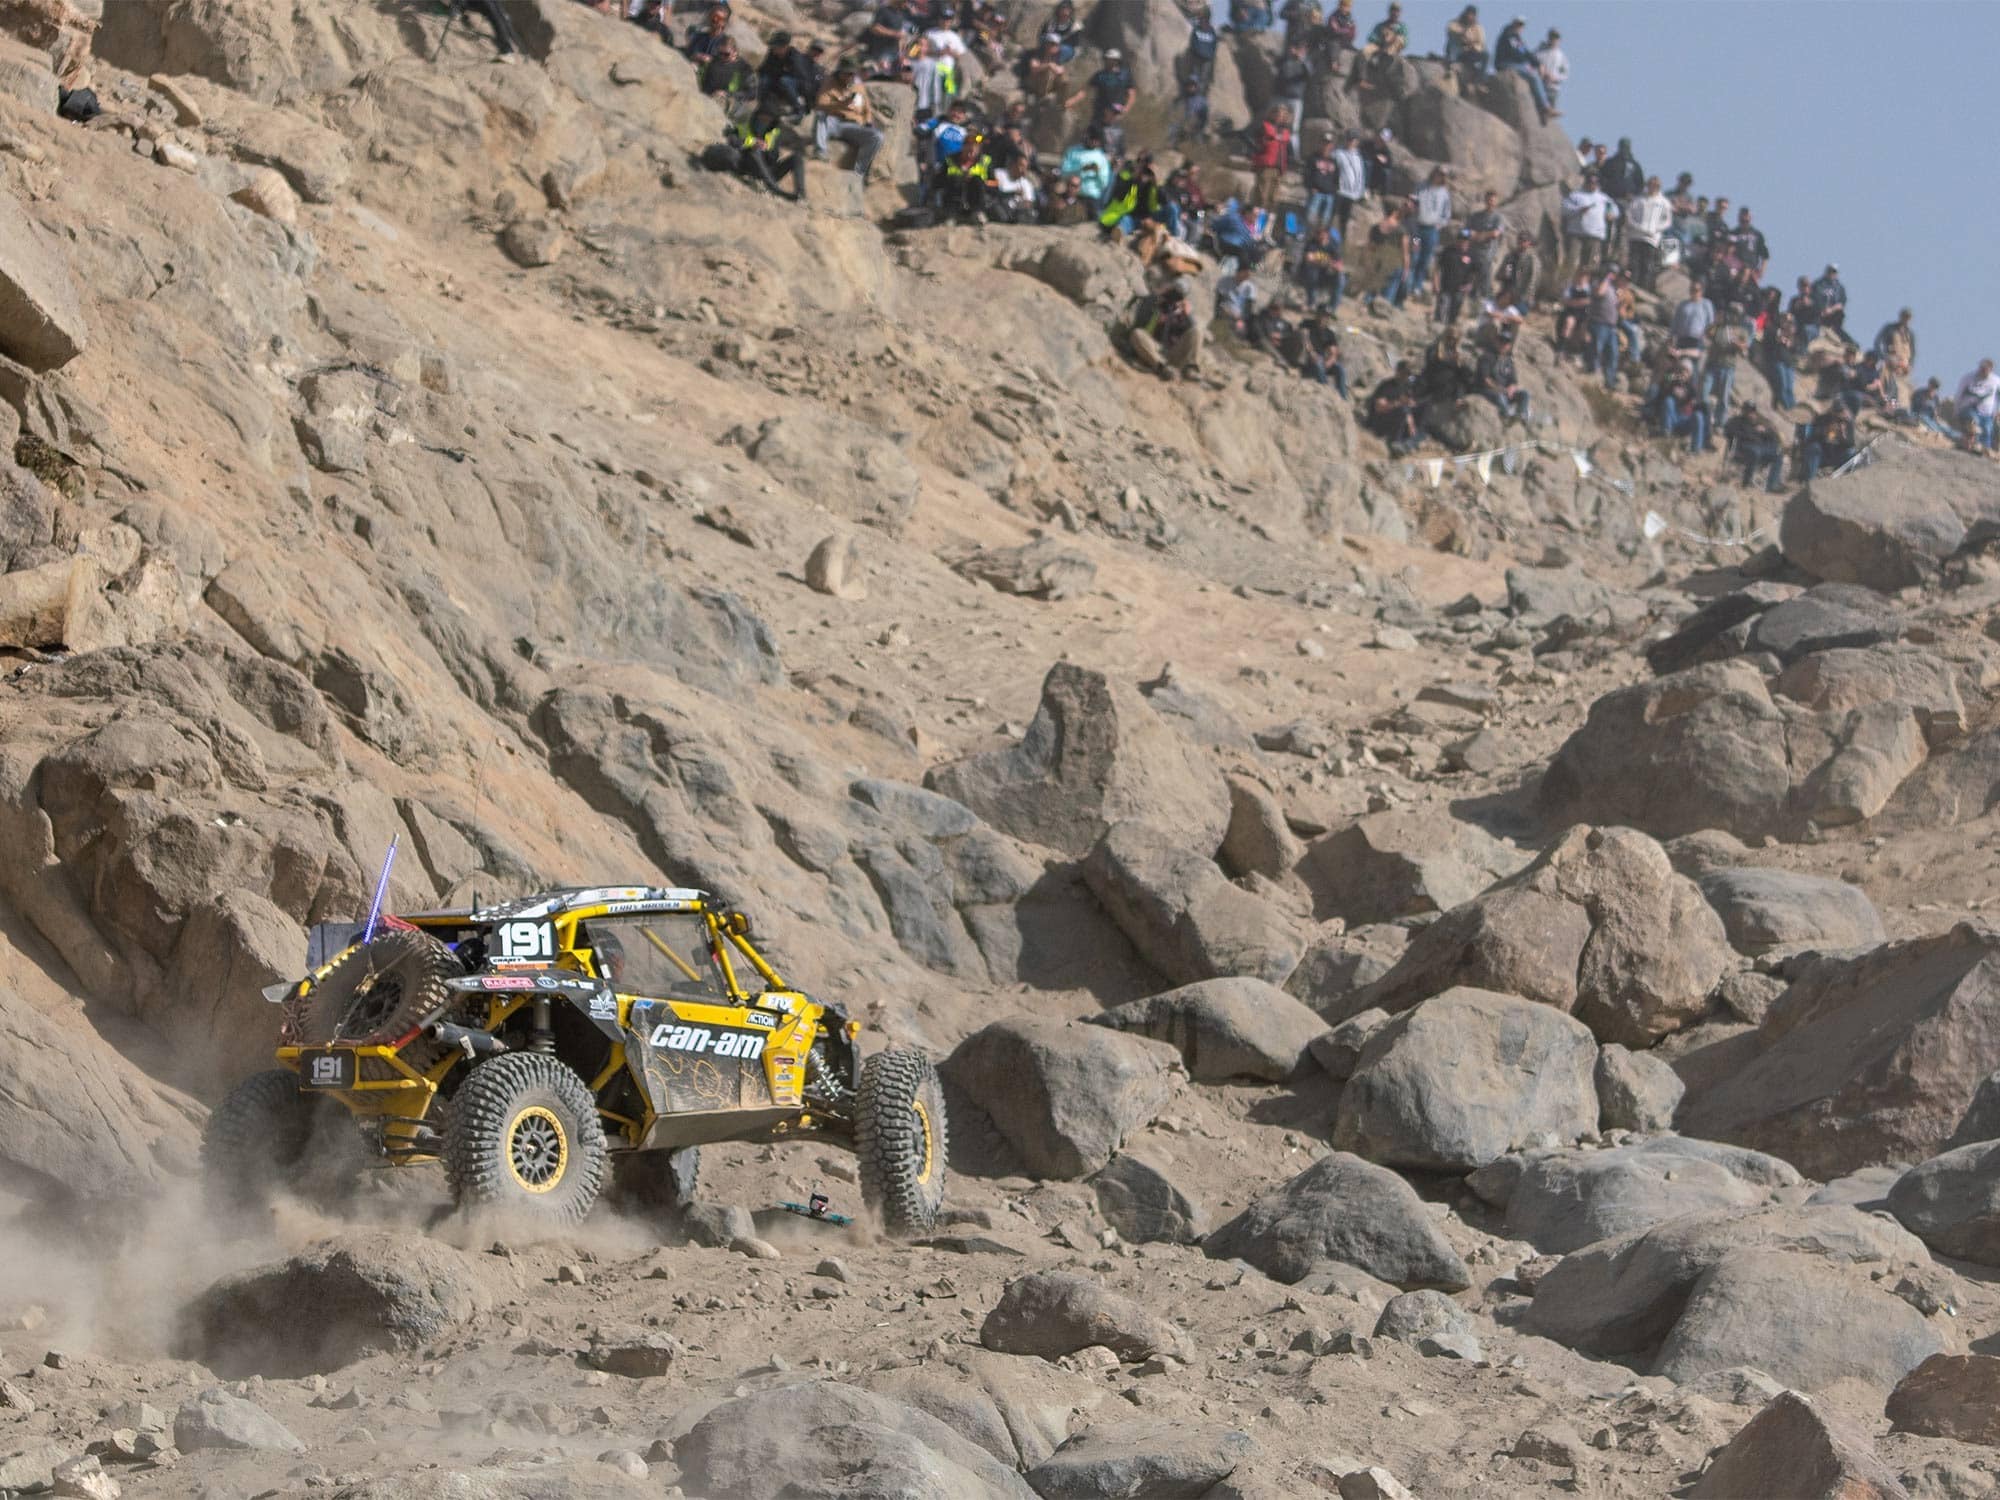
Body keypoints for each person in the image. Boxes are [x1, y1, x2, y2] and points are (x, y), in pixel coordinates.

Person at [814, 67, 884, 181]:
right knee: (820, 115)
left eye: (852, 74)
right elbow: (820, 106)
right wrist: (840, 105)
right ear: (840, 73)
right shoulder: (829, 84)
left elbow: (867, 110)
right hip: (833, 121)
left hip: (853, 126)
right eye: (846, 74)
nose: (849, 77)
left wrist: (868, 122)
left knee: (878, 136)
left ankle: (858, 173)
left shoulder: (858, 87)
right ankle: (820, 152)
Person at [730, 102, 806, 201]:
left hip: (768, 172)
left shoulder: (774, 132)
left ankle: (801, 195)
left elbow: (774, 157)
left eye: (769, 119)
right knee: (755, 151)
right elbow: (733, 142)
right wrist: (753, 142)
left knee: (797, 158)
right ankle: (775, 189)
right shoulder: (744, 125)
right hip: (748, 168)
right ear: (757, 116)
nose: (765, 121)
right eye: (763, 118)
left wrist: (768, 149)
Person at [1127, 284, 1204, 379]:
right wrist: (1157, 306)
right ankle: (1162, 368)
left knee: (1197, 330)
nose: (1174, 298)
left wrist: (1188, 315)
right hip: (1153, 348)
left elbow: (1192, 335)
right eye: (1173, 291)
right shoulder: (1155, 303)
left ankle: (1190, 370)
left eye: (1179, 295)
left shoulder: (1182, 314)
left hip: (1172, 353)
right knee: (1137, 334)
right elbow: (1139, 325)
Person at [1494, 17, 1554, 121]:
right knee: (1533, 76)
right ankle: (1545, 107)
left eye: (1522, 25)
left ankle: (1545, 108)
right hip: (1504, 64)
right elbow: (1513, 53)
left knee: (1537, 75)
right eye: (1518, 24)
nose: (1520, 27)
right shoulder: (1508, 36)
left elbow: (1526, 52)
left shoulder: (1516, 38)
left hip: (1514, 63)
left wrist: (1539, 64)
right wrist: (1527, 64)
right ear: (1513, 24)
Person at [1358, 198, 1411, 309]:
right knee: (1386, 296)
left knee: (1374, 289)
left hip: (1380, 262)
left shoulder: (1376, 227)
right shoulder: (1402, 229)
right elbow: (1405, 251)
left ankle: (1368, 305)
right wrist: (1406, 270)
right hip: (1392, 264)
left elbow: (1370, 246)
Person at [1560, 171, 1616, 275]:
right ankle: (1565, 286)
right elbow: (1564, 209)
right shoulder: (1575, 195)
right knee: (1571, 261)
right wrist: (1578, 210)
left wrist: (1611, 214)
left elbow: (1614, 210)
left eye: (1595, 183)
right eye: (1590, 182)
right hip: (1576, 234)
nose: (1592, 185)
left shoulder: (1604, 198)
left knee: (1589, 266)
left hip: (1595, 235)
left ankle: (1584, 287)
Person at [911, 15, 966, 119]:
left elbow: (961, 55)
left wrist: (951, 52)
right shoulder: (930, 33)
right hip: (932, 68)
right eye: (944, 18)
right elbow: (921, 49)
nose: (946, 22)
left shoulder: (954, 36)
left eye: (948, 19)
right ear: (939, 19)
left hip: (949, 70)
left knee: (949, 94)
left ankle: (942, 116)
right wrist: (939, 52)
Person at [1724, 401, 1785, 492]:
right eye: (1748, 411)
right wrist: (1753, 432)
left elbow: (1773, 436)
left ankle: (1772, 485)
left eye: (1752, 411)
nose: (1750, 413)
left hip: (1760, 447)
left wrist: (1764, 431)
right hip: (1744, 447)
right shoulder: (1736, 421)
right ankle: (1746, 483)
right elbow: (1730, 432)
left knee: (1778, 454)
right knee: (1754, 452)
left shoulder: (1759, 422)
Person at [1411, 167, 1453, 298]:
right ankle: (1408, 283)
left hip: (1431, 231)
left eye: (1442, 175)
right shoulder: (1421, 186)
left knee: (1425, 257)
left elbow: (1446, 214)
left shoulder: (1444, 193)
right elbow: (1413, 202)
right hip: (1417, 229)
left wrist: (1439, 225)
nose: (1439, 176)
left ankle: (1417, 286)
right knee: (1414, 254)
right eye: (1438, 173)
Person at [1624, 175, 1671, 290]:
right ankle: (1631, 285)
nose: (1653, 187)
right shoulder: (1638, 200)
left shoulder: (1663, 202)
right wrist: (1636, 226)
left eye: (1655, 186)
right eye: (1651, 185)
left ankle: (1643, 288)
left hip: (1651, 238)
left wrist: (1655, 229)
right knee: (1634, 262)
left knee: (1647, 264)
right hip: (1636, 236)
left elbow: (1667, 221)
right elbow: (1629, 215)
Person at [1367, 360, 1424, 453]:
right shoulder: (1387, 386)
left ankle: (1407, 444)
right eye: (1405, 373)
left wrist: (1411, 422)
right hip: (1379, 421)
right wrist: (1398, 403)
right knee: (1402, 410)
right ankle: (1395, 442)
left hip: (1399, 421)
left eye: (1408, 374)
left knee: (1422, 412)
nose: (1406, 376)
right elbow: (1379, 407)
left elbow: (1409, 406)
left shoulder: (1406, 387)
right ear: (1398, 371)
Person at [1475, 328, 1529, 422]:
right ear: (1496, 341)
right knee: (1500, 397)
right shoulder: (1486, 357)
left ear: (1509, 345)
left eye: (1506, 342)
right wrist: (1502, 390)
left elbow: (1513, 380)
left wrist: (1511, 388)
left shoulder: (1508, 361)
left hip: (1504, 391)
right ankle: (1507, 415)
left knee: (1524, 394)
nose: (1503, 344)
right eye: (1501, 341)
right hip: (1487, 390)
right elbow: (1485, 380)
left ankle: (1521, 415)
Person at [756, 32, 816, 115]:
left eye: (776, 46)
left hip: (793, 89)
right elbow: (763, 69)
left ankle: (798, 109)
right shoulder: (772, 54)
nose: (773, 48)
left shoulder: (796, 58)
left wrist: (807, 103)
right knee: (764, 79)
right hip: (776, 82)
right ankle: (762, 104)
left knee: (785, 81)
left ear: (784, 47)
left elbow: (804, 81)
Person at [1657, 358, 1708, 453]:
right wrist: (1672, 383)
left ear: (1690, 374)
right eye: (1681, 370)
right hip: (1672, 418)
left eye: (1686, 371)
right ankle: (1665, 432)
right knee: (1669, 400)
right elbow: (1663, 384)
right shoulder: (1671, 381)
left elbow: (1697, 400)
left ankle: (1696, 448)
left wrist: (1687, 392)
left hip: (1684, 420)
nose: (1683, 373)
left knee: (1698, 416)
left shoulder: (1692, 387)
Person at [1354, 0, 1407, 90]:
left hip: (1391, 48)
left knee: (1399, 39)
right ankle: (1361, 79)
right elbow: (1371, 37)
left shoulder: (1402, 27)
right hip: (1378, 46)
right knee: (1363, 52)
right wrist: (1381, 39)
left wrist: (1392, 39)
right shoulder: (1381, 25)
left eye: (1397, 11)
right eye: (1393, 10)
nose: (1395, 13)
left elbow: (1405, 41)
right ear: (1389, 11)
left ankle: (1384, 58)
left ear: (1400, 13)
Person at [1251, 105, 1294, 212]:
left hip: (1279, 168)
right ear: (1272, 114)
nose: (1280, 117)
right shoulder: (1263, 126)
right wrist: (1256, 152)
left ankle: (1267, 220)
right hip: (1265, 166)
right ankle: (1254, 219)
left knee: (1273, 197)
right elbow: (1252, 141)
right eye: (1278, 114)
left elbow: (1289, 151)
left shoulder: (1286, 132)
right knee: (1262, 195)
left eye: (1283, 115)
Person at [1295, 223, 1346, 311]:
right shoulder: (1312, 243)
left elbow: (1339, 264)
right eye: (1319, 234)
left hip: (1326, 273)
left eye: (1323, 234)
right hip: (1311, 272)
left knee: (1340, 279)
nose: (1321, 236)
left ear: (1327, 235)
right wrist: (1328, 261)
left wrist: (1327, 263)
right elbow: (1309, 257)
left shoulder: (1333, 245)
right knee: (1312, 273)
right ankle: (1311, 303)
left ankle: (1331, 308)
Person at [1465, 189, 1506, 300]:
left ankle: (1483, 303)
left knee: (1484, 282)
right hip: (1472, 253)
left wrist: (1479, 235)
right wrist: (1471, 234)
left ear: (1496, 202)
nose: (1490, 202)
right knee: (1468, 279)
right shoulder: (1475, 216)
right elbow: (1465, 231)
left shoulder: (1499, 218)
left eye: (1492, 200)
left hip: (1487, 254)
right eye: (1488, 199)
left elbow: (1496, 233)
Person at [1058, 127, 1112, 208]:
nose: (1094, 142)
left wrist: (1098, 172)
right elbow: (1063, 173)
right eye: (1092, 139)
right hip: (1072, 196)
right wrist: (1081, 169)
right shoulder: (1073, 151)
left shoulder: (1101, 157)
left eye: (1096, 140)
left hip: (1091, 198)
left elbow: (1104, 183)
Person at [1297, 309, 1348, 394]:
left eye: (1326, 316)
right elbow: (1303, 336)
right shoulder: (1307, 324)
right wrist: (1312, 353)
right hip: (1307, 357)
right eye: (1323, 315)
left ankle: (1343, 397)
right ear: (1317, 314)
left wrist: (1330, 360)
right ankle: (1326, 391)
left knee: (1339, 368)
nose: (1324, 318)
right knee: (1318, 362)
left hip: (1321, 358)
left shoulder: (1329, 332)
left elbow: (1333, 350)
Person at [1433, 228, 1477, 326]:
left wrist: (1470, 285)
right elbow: (1438, 267)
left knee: (1453, 315)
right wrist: (1435, 283)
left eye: (1465, 240)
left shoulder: (1472, 255)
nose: (1463, 242)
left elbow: (1475, 273)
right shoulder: (1448, 251)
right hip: (1445, 287)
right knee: (1442, 310)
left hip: (1460, 290)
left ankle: (1449, 329)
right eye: (1461, 239)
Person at [1705, 322, 1745, 426]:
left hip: (1728, 367)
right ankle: (1704, 417)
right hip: (1713, 364)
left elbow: (1744, 349)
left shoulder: (1741, 330)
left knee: (1724, 397)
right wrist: (1716, 322)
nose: (1732, 317)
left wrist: (1736, 343)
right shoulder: (1719, 327)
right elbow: (1708, 333)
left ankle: (1720, 422)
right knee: (1705, 392)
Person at [1800, 404, 1856, 479]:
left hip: (1837, 455)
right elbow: (1810, 438)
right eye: (1837, 418)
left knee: (1851, 453)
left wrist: (1843, 436)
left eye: (1841, 419)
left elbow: (1851, 444)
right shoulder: (1822, 420)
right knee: (1813, 448)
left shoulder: (1847, 423)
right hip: (1822, 454)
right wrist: (1825, 432)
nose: (1839, 421)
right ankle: (1809, 480)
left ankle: (1841, 478)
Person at [1587, 265, 1621, 387]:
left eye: (1614, 273)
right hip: (1599, 323)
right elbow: (1599, 293)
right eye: (1611, 272)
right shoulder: (1598, 283)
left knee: (1613, 353)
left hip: (1611, 326)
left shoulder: (1613, 288)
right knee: (1597, 350)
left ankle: (1610, 380)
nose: (1613, 275)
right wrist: (1606, 279)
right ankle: (1594, 375)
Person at [1493, 228, 1539, 314]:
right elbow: (1498, 276)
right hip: (1505, 293)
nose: (1521, 242)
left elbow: (1532, 283)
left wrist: (1528, 298)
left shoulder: (1532, 260)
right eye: (1520, 239)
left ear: (1529, 243)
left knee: (1515, 315)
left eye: (1524, 240)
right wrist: (1504, 274)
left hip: (1521, 298)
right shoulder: (1510, 256)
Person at [1958, 358, 2000, 451]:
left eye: (1985, 369)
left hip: (1987, 413)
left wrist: (1997, 411)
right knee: (1974, 423)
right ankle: (1972, 445)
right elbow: (1959, 394)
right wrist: (1957, 409)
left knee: (1987, 429)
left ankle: (1985, 449)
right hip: (1970, 409)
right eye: (1982, 368)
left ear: (1990, 369)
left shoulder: (1996, 381)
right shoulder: (1968, 378)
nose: (1982, 371)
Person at [1332, 131, 1368, 237]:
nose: (1351, 142)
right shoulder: (1338, 153)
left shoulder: (1359, 156)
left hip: (1352, 193)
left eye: (1353, 140)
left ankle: (1340, 241)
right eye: (1349, 139)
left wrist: (1361, 191)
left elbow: (1361, 174)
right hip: (1340, 191)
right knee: (1333, 217)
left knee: (1344, 220)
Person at [864, 1, 913, 75]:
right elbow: (875, 28)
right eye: (905, 2)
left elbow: (901, 34)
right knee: (880, 75)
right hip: (882, 52)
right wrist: (895, 34)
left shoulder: (901, 13)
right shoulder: (884, 10)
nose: (907, 4)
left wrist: (902, 52)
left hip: (896, 52)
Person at [1273, 36, 1312, 128]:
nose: (1300, 50)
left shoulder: (1306, 62)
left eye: (1303, 48)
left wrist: (1302, 60)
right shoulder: (1286, 59)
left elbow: (1309, 75)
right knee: (1272, 122)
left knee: (1294, 127)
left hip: (1295, 99)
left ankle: (1291, 142)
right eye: (1298, 47)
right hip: (1280, 96)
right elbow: (1276, 64)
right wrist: (1288, 55)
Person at [699, 36, 752, 102]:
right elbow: (701, 78)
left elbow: (751, 94)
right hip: (705, 97)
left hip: (728, 102)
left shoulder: (744, 68)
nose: (722, 57)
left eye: (726, 54)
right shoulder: (713, 60)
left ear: (735, 52)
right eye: (720, 53)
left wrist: (727, 94)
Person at [1670, 285, 1715, 358]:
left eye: (1697, 290)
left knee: (1689, 365)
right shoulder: (1683, 304)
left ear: (1701, 291)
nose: (1694, 292)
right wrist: (1672, 335)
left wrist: (1707, 337)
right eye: (1692, 289)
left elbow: (1711, 323)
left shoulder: (1706, 304)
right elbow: (1676, 320)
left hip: (1697, 339)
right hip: (1682, 337)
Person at [1216, 266, 1260, 337]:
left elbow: (1248, 308)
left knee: (1250, 323)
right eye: (1245, 273)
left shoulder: (1250, 287)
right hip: (1226, 311)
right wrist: (1227, 311)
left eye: (1248, 275)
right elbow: (1219, 301)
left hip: (1240, 316)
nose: (1246, 277)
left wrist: (1241, 319)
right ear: (1239, 272)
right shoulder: (1225, 281)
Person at [1812, 264, 1850, 347]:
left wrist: (1831, 309)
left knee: (1840, 315)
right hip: (1820, 314)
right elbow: (1814, 298)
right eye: (1830, 271)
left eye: (1834, 272)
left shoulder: (1839, 287)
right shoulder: (1818, 284)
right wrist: (1822, 310)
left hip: (1833, 315)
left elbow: (1842, 303)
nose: (1832, 274)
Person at [1874, 308, 1918, 378]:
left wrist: (1910, 365)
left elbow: (1913, 351)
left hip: (1904, 364)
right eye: (1905, 316)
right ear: (1900, 316)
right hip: (1891, 360)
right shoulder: (1890, 328)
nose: (1906, 319)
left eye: (1908, 317)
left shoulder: (1910, 333)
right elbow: (1877, 342)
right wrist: (1883, 357)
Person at [1445, 4, 1486, 72]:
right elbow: (1451, 30)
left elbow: (1481, 42)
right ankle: (1451, 65)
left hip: (1470, 52)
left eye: (1472, 15)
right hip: (1457, 50)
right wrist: (1463, 33)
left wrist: (1475, 47)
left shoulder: (1477, 27)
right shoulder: (1455, 23)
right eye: (1469, 14)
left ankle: (1480, 77)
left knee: (1485, 55)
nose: (1470, 17)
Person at [1185, 8, 1221, 86]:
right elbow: (1192, 42)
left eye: (1201, 17)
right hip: (1199, 57)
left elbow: (1214, 45)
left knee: (1202, 78)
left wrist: (1210, 55)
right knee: (1196, 77)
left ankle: (1199, 95)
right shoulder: (1198, 29)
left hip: (1206, 58)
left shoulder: (1211, 30)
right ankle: (1194, 94)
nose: (1199, 19)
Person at [1535, 27, 1567, 109]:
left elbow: (1565, 74)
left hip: (1553, 88)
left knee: (1550, 112)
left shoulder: (1561, 56)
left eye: (1556, 38)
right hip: (1540, 85)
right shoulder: (1539, 52)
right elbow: (1532, 63)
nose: (1553, 40)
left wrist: (1555, 78)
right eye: (1552, 37)